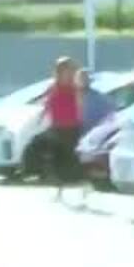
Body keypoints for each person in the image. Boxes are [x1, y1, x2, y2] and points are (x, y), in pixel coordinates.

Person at [39, 57, 83, 200]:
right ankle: (60, 190)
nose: (67, 72)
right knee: (56, 159)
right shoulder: (53, 87)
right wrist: (43, 116)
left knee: (71, 159)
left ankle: (81, 186)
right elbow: (47, 104)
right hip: (57, 127)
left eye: (69, 69)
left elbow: (80, 106)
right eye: (63, 69)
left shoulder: (74, 88)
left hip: (72, 127)